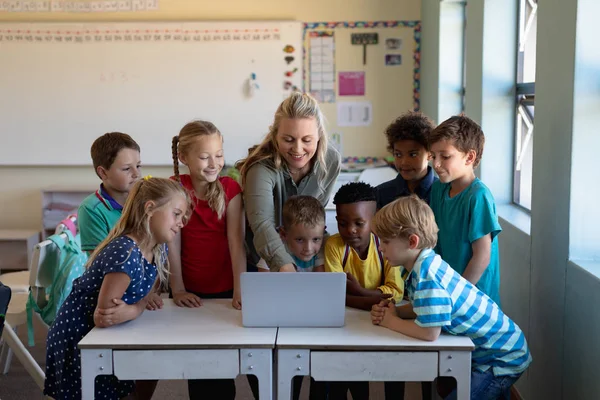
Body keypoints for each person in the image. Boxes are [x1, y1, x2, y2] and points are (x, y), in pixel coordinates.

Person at [371, 195, 532, 400]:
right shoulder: (424, 264)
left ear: (412, 241)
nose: (380, 247)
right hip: (496, 351)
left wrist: (390, 321)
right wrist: (397, 311)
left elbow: (430, 332)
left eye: (385, 241)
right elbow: (426, 307)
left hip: (501, 358)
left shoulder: (427, 275)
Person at [44, 177, 190, 400]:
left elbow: (148, 291)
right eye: (177, 214)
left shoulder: (156, 248)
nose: (182, 222)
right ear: (150, 209)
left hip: (106, 334)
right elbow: (104, 317)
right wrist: (137, 308)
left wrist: (140, 302)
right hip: (81, 335)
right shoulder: (126, 251)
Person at [169, 120, 251, 400]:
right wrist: (177, 288)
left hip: (227, 288)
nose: (213, 163)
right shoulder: (175, 188)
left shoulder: (231, 189)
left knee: (226, 366)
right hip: (191, 291)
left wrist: (240, 288)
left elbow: (235, 242)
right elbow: (172, 241)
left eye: (219, 154)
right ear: (184, 158)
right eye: (204, 157)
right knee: (202, 371)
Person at [236, 91, 341, 273]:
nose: (298, 149)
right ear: (275, 135)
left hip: (305, 261)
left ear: (319, 136)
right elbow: (263, 224)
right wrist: (286, 267)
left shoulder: (330, 161)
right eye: (288, 139)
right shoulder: (261, 167)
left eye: (307, 140)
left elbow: (317, 214)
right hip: (263, 263)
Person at [324, 182, 403, 400]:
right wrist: (376, 297)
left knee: (392, 368)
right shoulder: (334, 245)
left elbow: (396, 293)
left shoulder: (386, 245)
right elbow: (333, 294)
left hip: (383, 321)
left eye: (359, 223)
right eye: (342, 223)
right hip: (346, 323)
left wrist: (358, 291)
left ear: (374, 220)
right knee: (344, 374)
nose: (350, 229)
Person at [428, 115, 502, 305]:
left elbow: (482, 256)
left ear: (469, 157)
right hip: (445, 289)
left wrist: (457, 296)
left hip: (473, 296)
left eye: (445, 157)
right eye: (433, 156)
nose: (436, 164)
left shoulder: (478, 196)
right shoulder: (438, 189)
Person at [78, 132, 142, 253]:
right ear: (103, 172)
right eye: (127, 168)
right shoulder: (91, 209)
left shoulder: (146, 199)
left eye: (138, 166)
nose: (136, 174)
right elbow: (99, 261)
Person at [376, 111, 437, 209]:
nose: (404, 162)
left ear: (430, 154)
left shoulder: (443, 194)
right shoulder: (380, 194)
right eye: (398, 154)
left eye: (413, 154)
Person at [257, 195, 325, 272]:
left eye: (315, 239)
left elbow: (320, 280)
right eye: (300, 240)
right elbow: (263, 277)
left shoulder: (324, 244)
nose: (308, 248)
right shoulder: (276, 247)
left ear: (323, 232)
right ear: (283, 234)